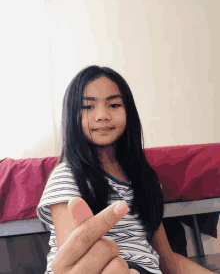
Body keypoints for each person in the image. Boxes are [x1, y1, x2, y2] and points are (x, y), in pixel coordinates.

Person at [37, 66, 215, 274]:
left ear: (128, 112)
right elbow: (73, 256)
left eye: (113, 104)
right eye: (88, 107)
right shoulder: (67, 176)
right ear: (72, 116)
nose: (102, 115)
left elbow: (166, 260)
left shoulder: (145, 179)